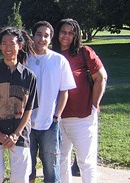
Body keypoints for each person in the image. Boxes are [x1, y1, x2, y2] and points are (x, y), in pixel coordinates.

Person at [52, 18, 107, 183]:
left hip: (82, 117)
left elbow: (101, 77)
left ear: (76, 35)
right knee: (60, 161)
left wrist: (94, 104)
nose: (66, 36)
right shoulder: (51, 55)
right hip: (57, 118)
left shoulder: (84, 53)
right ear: (57, 33)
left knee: (86, 161)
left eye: (71, 33)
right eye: (63, 32)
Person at [0, 27, 38, 183]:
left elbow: (29, 108)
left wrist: (16, 134)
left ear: (19, 46)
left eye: (12, 43)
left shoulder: (29, 77)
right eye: (4, 43)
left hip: (20, 136)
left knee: (20, 178)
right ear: (0, 46)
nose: (8, 48)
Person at [27, 21, 76, 183]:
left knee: (51, 168)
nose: (42, 39)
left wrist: (57, 116)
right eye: (39, 34)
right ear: (32, 36)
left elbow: (64, 91)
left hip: (49, 123)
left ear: (51, 38)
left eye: (46, 35)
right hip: (26, 124)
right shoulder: (24, 59)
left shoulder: (59, 61)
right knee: (28, 167)